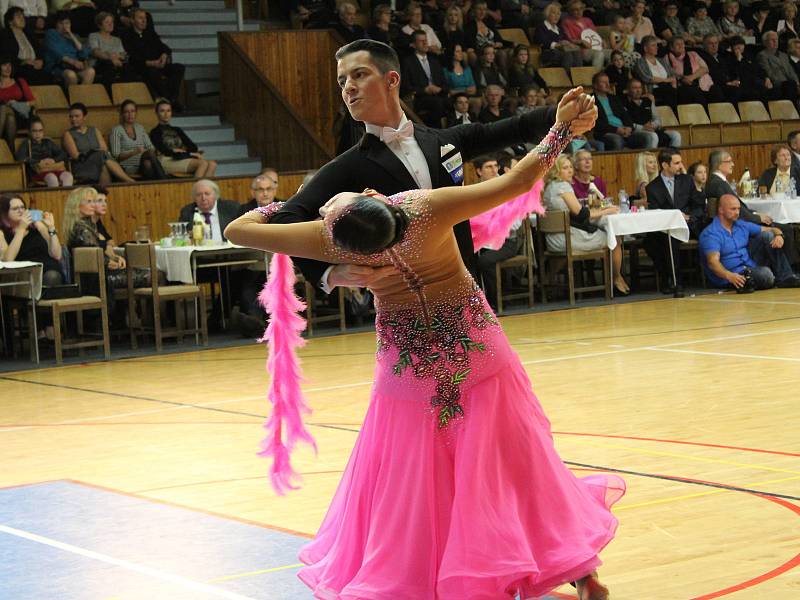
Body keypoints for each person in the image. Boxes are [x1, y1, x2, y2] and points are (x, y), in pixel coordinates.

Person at [225, 105, 624, 599]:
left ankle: (431, 576)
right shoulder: (425, 209)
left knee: (415, 478)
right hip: (475, 348)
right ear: (375, 197)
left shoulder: (332, 240)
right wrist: (561, 129)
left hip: (407, 367)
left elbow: (237, 230)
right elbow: (518, 180)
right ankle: (579, 571)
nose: (326, 206)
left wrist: (288, 204)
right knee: (519, 458)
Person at [267, 39, 596, 296]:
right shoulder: (349, 165)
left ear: (391, 79)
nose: (347, 87)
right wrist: (328, 273)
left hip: (467, 290)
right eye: (342, 81)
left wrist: (565, 116)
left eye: (358, 74)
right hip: (405, 302)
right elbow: (284, 219)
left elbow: (515, 128)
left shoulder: (444, 141)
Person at [543, 154, 629, 295]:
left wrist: (598, 210)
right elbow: (580, 213)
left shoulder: (550, 187)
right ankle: (616, 279)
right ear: (556, 171)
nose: (570, 170)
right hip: (567, 239)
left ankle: (547, 279)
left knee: (601, 233)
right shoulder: (563, 186)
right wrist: (605, 211)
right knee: (615, 240)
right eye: (565, 168)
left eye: (570, 167)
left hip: (553, 239)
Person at [706, 148, 798, 265]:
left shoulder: (717, 182)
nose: (733, 164)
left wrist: (756, 214)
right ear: (719, 165)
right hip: (735, 224)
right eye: (729, 161)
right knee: (786, 229)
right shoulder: (718, 184)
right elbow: (735, 211)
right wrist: (758, 218)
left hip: (738, 220)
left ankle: (785, 269)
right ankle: (790, 269)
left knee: (782, 227)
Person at [699, 194, 800, 290]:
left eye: (738, 209)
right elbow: (713, 262)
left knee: (768, 236)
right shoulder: (711, 233)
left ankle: (785, 277)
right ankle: (769, 276)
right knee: (766, 274)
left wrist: (779, 235)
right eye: (733, 209)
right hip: (730, 275)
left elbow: (772, 229)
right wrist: (729, 276)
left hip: (749, 266)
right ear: (721, 210)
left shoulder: (741, 224)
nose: (737, 212)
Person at [643, 148, 707, 294]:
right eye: (677, 163)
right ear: (665, 165)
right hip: (666, 228)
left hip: (689, 224)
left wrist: (690, 217)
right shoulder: (652, 188)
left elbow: (698, 204)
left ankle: (678, 279)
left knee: (672, 239)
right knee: (653, 241)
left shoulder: (686, 180)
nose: (680, 166)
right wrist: (675, 217)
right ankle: (670, 278)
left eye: (680, 162)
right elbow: (655, 213)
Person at [471, 154, 525, 308]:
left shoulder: (507, 190)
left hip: (506, 241)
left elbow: (515, 224)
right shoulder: (473, 192)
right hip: (481, 241)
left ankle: (494, 303)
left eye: (495, 166)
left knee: (485, 261)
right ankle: (475, 304)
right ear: (479, 171)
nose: (495, 170)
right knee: (464, 258)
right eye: (489, 167)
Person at [122, 9, 185, 108]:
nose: (144, 21)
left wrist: (164, 55)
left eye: (145, 18)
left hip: (158, 64)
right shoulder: (127, 35)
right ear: (133, 20)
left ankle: (172, 98)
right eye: (140, 18)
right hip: (142, 66)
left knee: (179, 68)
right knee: (152, 72)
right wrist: (150, 63)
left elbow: (164, 47)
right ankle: (169, 100)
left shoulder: (150, 33)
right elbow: (132, 57)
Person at [63, 102, 134, 185]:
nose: (73, 119)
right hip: (82, 165)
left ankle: (104, 193)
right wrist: (93, 153)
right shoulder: (68, 134)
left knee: (103, 165)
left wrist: (95, 153)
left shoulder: (94, 130)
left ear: (84, 117)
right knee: (101, 157)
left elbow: (104, 149)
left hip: (99, 161)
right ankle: (129, 181)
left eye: (77, 116)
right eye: (71, 117)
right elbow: (75, 155)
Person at [0, 194, 62, 286]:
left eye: (22, 207)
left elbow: (57, 255)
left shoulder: (38, 226)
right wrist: (21, 229)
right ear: (5, 213)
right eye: (15, 209)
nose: (21, 211)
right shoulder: (2, 233)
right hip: (25, 275)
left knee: (52, 276)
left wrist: (51, 228)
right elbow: (7, 260)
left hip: (48, 270)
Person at [150, 98, 217, 178]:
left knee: (213, 164)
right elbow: (165, 151)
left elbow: (193, 147)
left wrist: (183, 152)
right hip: (167, 160)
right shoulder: (155, 132)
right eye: (162, 111)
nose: (166, 114)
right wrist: (189, 153)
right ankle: (196, 190)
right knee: (203, 163)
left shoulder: (177, 130)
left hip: (182, 158)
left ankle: (206, 189)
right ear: (157, 113)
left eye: (168, 111)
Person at [592, 72, 658, 150]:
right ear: (595, 85)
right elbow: (596, 123)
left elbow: (625, 115)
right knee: (617, 140)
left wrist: (629, 127)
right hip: (606, 132)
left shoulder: (614, 98)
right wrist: (616, 130)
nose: (607, 84)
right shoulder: (590, 100)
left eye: (608, 82)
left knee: (648, 137)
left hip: (624, 130)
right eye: (603, 82)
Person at [109, 99, 163, 180]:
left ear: (136, 113)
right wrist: (134, 152)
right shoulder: (116, 130)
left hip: (143, 162)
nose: (130, 114)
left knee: (148, 160)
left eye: (132, 111)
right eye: (127, 112)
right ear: (122, 114)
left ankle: (158, 184)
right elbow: (116, 156)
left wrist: (144, 152)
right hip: (127, 166)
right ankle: (164, 180)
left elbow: (150, 147)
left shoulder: (140, 128)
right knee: (148, 161)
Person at [89, 11, 140, 92]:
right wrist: (111, 58)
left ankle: (128, 94)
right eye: (107, 22)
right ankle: (110, 96)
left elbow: (123, 55)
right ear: (100, 25)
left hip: (116, 63)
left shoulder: (117, 39)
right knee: (109, 67)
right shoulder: (94, 36)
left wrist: (117, 57)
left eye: (112, 22)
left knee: (129, 68)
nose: (111, 24)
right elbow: (96, 52)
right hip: (100, 63)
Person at [177, 179, 241, 244]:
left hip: (228, 251)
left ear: (216, 195)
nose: (203, 198)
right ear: (194, 198)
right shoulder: (187, 211)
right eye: (199, 195)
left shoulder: (231, 208)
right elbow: (182, 235)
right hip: (198, 252)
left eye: (207, 194)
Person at [15, 116, 73, 187]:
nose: (37, 134)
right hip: (38, 172)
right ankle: (53, 198)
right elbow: (20, 158)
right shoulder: (26, 143)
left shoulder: (48, 142)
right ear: (29, 132)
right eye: (34, 131)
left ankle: (66, 197)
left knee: (68, 176)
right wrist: (39, 161)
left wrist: (53, 160)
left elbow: (62, 154)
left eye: (40, 131)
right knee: (52, 178)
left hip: (53, 168)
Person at [624, 78, 682, 148]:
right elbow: (626, 122)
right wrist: (642, 127)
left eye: (640, 88)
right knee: (653, 136)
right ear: (628, 90)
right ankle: (650, 158)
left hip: (652, 129)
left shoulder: (648, 101)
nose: (638, 90)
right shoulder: (624, 103)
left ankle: (673, 157)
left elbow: (657, 118)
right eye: (635, 88)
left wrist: (653, 125)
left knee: (676, 135)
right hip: (636, 132)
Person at [0, 7, 51, 85]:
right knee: (32, 73)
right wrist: (23, 61)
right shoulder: (5, 35)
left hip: (35, 65)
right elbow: (6, 56)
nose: (22, 18)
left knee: (48, 75)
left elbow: (40, 51)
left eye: (23, 16)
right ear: (10, 21)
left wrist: (41, 61)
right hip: (19, 67)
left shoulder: (29, 33)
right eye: (18, 16)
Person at [666, 36, 722, 105]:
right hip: (684, 85)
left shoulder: (692, 54)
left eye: (682, 44)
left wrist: (691, 77)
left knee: (717, 91)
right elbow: (670, 73)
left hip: (704, 83)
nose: (681, 46)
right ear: (671, 47)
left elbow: (705, 69)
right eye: (677, 44)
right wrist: (682, 78)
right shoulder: (668, 58)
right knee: (693, 92)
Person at [44, 12, 95, 86]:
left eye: (67, 23)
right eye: (61, 23)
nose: (64, 26)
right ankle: (73, 96)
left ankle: (81, 96)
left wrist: (72, 36)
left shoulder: (74, 36)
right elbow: (56, 52)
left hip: (75, 67)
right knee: (71, 75)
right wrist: (73, 62)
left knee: (90, 71)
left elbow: (83, 54)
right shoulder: (51, 33)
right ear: (56, 24)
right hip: (57, 66)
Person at [633, 36, 679, 109]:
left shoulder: (662, 60)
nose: (657, 47)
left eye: (657, 45)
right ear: (645, 48)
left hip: (669, 87)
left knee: (689, 90)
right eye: (653, 45)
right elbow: (647, 78)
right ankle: (674, 117)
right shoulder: (640, 62)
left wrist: (674, 83)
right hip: (654, 89)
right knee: (669, 91)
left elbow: (672, 75)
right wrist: (666, 80)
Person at [757, 30, 800, 105]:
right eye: (772, 40)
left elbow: (791, 71)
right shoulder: (762, 55)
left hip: (790, 84)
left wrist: (797, 83)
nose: (775, 41)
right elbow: (769, 72)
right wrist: (787, 83)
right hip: (778, 84)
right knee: (790, 85)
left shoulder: (784, 55)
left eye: (776, 39)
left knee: (793, 84)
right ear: (765, 42)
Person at [534, 3, 583, 69]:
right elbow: (541, 41)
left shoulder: (559, 28)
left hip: (561, 51)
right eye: (554, 13)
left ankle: (578, 76)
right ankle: (567, 77)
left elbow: (566, 39)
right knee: (567, 54)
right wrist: (557, 44)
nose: (556, 16)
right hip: (547, 52)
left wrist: (567, 43)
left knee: (576, 52)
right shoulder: (541, 27)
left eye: (558, 14)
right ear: (547, 14)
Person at [0, 56, 34, 149]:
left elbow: (33, 102)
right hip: (3, 118)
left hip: (20, 115)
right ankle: (11, 152)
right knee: (9, 118)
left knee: (4, 108)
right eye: (4, 65)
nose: (8, 68)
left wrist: (15, 104)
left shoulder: (20, 82)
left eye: (9, 65)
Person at [562, 0, 605, 68]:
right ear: (570, 11)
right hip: (581, 50)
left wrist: (601, 40)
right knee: (599, 54)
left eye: (581, 8)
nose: (579, 11)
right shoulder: (567, 22)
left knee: (615, 53)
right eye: (576, 10)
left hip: (596, 47)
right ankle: (596, 77)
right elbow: (568, 39)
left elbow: (595, 35)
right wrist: (581, 41)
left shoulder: (588, 20)